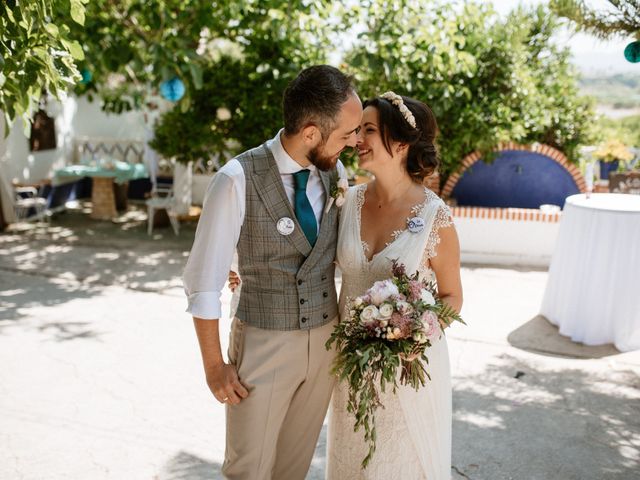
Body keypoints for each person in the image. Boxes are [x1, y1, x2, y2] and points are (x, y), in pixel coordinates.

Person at [182, 65, 362, 480]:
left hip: (325, 343)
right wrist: (213, 367)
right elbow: (203, 282)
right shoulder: (235, 179)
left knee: (292, 468)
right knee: (249, 469)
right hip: (263, 343)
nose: (354, 142)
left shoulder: (336, 174)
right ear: (312, 132)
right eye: (347, 133)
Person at [325, 92, 463, 479]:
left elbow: (452, 296)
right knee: (352, 460)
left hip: (408, 370)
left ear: (400, 143)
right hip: (350, 367)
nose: (356, 140)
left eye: (367, 130)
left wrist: (415, 334)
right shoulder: (346, 202)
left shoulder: (436, 217)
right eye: (356, 130)